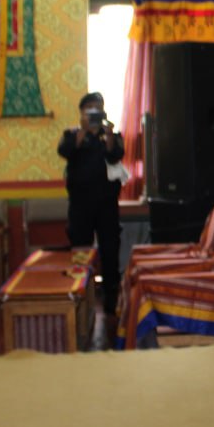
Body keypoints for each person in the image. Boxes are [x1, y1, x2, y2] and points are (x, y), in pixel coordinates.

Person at [57, 92, 124, 349]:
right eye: (89, 110)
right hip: (81, 206)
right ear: (82, 113)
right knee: (81, 254)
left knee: (109, 252)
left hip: (107, 205)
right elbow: (65, 152)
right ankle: (79, 300)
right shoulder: (72, 134)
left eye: (98, 109)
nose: (94, 114)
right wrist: (83, 132)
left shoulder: (111, 135)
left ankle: (110, 303)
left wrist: (107, 134)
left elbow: (116, 155)